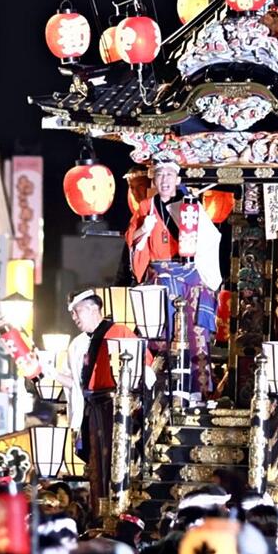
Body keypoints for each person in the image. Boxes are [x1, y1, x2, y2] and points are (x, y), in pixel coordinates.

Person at [125, 160, 223, 401]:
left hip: (189, 278)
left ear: (178, 180)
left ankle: (196, 393)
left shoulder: (191, 205)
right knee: (157, 336)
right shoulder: (147, 206)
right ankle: (159, 391)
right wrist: (143, 230)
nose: (165, 180)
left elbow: (211, 239)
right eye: (160, 176)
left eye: (170, 175)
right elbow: (131, 239)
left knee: (195, 335)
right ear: (154, 180)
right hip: (159, 277)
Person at [47, 289, 153, 504]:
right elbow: (76, 385)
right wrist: (49, 372)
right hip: (92, 407)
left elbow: (146, 368)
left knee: (114, 458)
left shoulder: (120, 332)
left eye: (77, 312)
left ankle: (117, 506)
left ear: (93, 309)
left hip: (116, 405)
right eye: (72, 314)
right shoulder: (77, 345)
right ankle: (100, 509)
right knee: (97, 464)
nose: (74, 318)